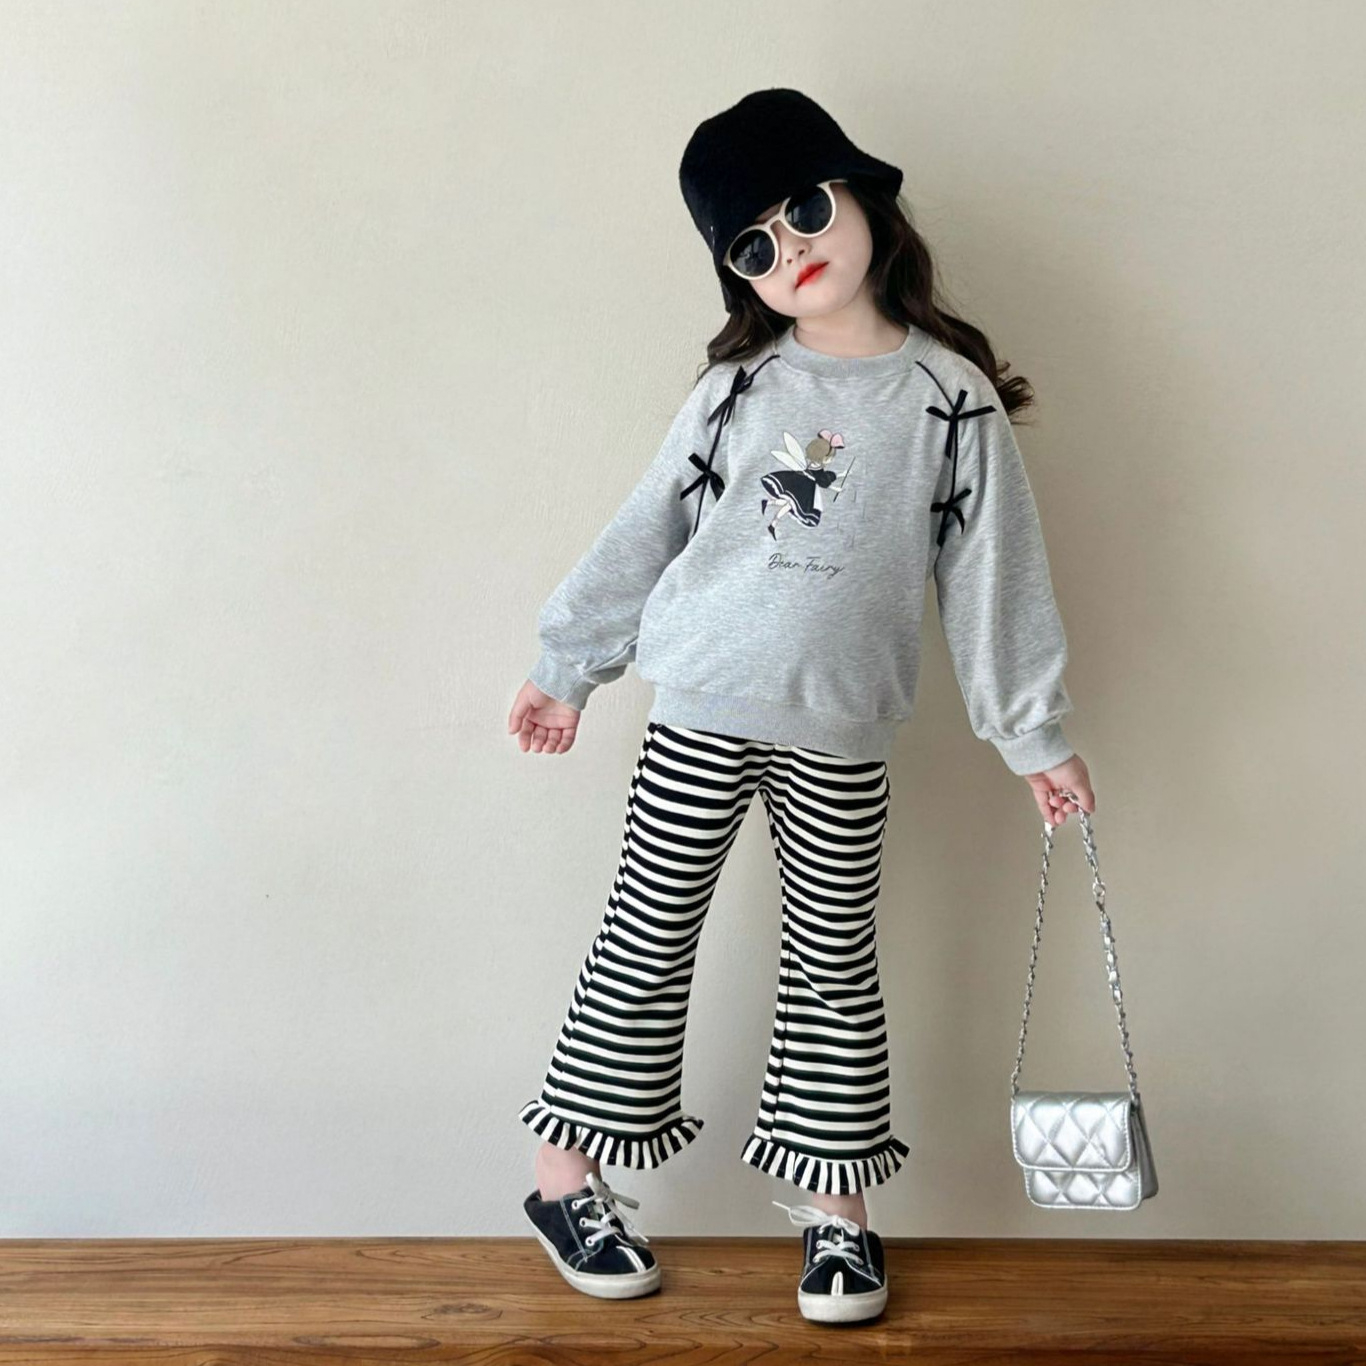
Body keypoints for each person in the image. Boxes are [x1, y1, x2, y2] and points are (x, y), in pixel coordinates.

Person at [507, 88, 1097, 1324]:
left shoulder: (950, 401)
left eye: (807, 212)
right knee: (646, 934)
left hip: (841, 726)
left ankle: (839, 1218)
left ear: (863, 197)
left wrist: (1031, 735)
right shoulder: (737, 391)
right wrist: (569, 663)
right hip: (700, 708)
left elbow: (994, 579)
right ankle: (564, 1181)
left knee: (834, 963)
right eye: (754, 246)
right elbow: (648, 526)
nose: (792, 250)